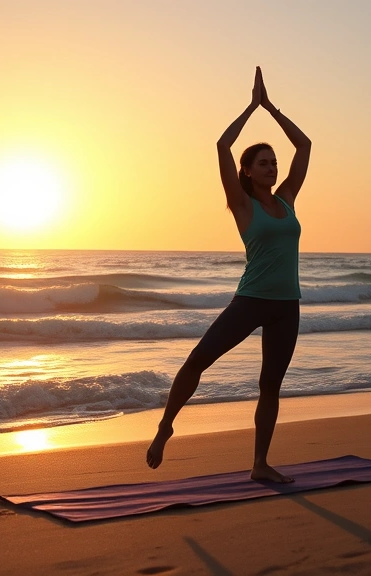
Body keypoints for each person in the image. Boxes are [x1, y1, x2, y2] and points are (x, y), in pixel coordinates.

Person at [146, 67, 311, 483]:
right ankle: (166, 425)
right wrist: (251, 106)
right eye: (264, 163)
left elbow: (305, 145)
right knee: (197, 361)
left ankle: (259, 464)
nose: (273, 168)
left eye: (274, 163)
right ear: (248, 170)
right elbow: (221, 144)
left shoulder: (287, 199)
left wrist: (272, 107)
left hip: (286, 306)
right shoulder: (240, 204)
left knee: (270, 386)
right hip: (250, 300)